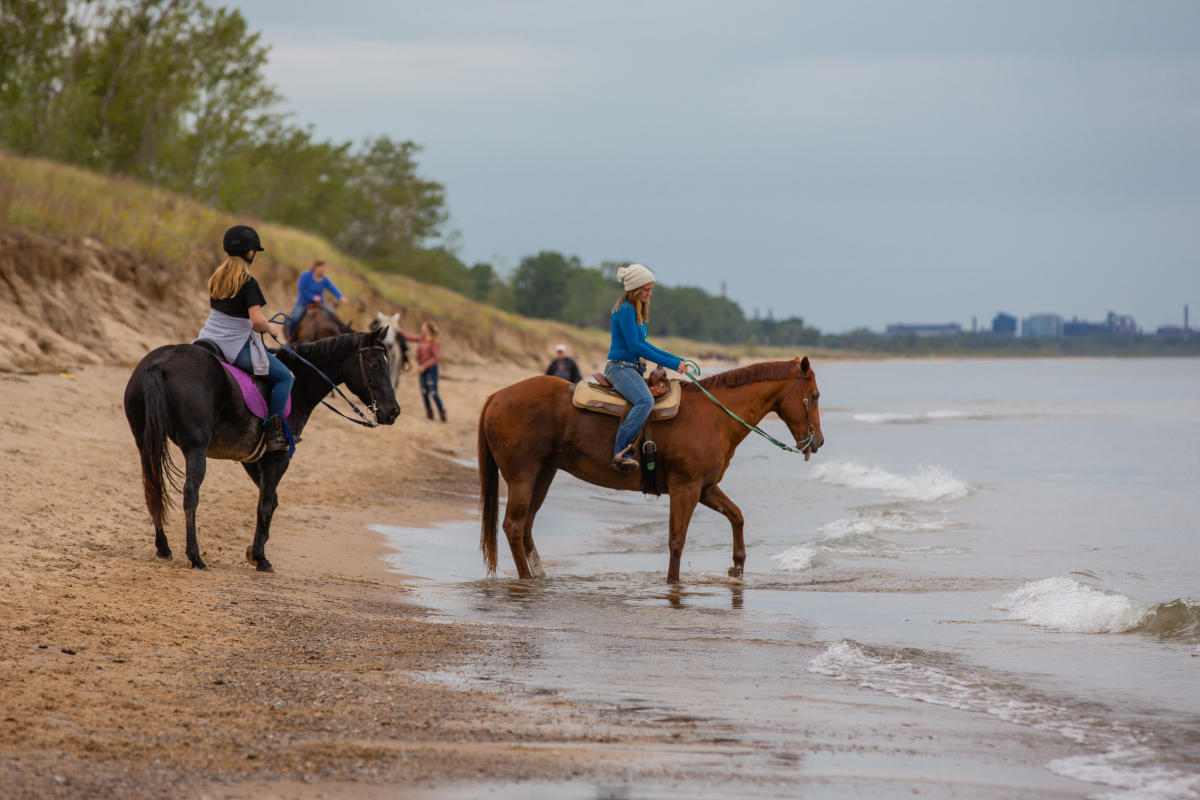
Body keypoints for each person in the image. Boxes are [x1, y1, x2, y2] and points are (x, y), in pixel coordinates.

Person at [194, 225, 294, 452]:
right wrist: (271, 329)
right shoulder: (249, 283)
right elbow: (257, 321)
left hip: (207, 338)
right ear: (250, 253)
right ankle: (273, 433)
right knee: (284, 378)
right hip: (234, 345)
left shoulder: (217, 277)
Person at [606, 263, 697, 471]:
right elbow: (635, 346)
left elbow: (645, 345)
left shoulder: (636, 310)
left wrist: (675, 360)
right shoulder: (626, 309)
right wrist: (671, 362)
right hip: (620, 368)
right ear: (636, 289)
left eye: (651, 289)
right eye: (647, 289)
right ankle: (621, 452)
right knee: (644, 401)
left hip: (631, 368)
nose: (650, 293)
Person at [399, 320, 446, 422]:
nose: (422, 328)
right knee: (424, 392)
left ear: (428, 329)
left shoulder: (435, 342)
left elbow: (435, 358)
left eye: (423, 326)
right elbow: (408, 337)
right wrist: (399, 330)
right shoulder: (421, 338)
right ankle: (429, 414)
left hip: (431, 370)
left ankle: (442, 413)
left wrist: (424, 366)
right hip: (422, 369)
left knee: (433, 393)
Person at [286, 259, 345, 338]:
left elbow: (332, 288)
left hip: (319, 304)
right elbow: (301, 288)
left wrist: (340, 297)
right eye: (322, 268)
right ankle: (290, 336)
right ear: (316, 267)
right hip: (304, 303)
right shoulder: (306, 275)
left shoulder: (324, 279)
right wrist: (312, 297)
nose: (323, 270)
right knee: (295, 318)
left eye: (324, 268)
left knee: (332, 313)